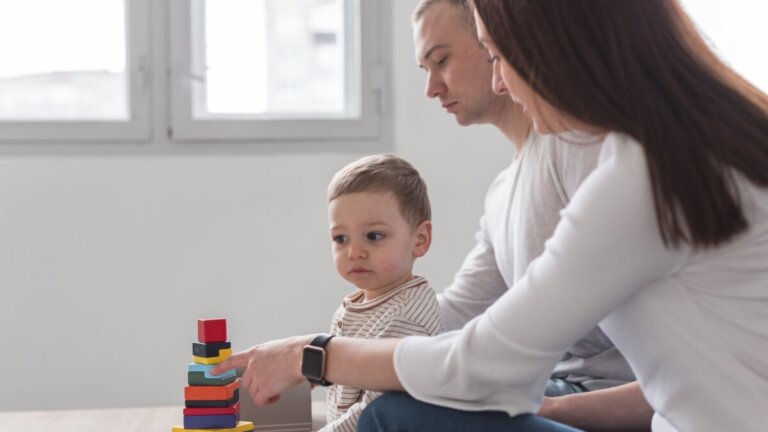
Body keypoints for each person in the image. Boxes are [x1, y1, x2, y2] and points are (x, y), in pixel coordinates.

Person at [212, 1, 768, 431]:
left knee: (395, 416)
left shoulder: (642, 172)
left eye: (497, 55)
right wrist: (338, 335)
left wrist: (314, 356)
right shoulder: (685, 144)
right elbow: (458, 326)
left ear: (548, 47)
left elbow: (489, 365)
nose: (502, 81)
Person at [412, 1, 652, 430]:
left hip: (606, 400)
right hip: (555, 388)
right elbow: (452, 315)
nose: (431, 87)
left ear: (494, 43)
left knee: (399, 412)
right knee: (400, 394)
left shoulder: (580, 146)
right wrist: (360, 321)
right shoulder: (501, 194)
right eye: (424, 70)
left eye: (441, 60)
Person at [316, 154, 443, 431]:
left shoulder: (408, 314)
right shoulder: (356, 304)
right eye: (341, 238)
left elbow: (376, 412)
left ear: (419, 240)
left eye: (373, 236)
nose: (354, 252)